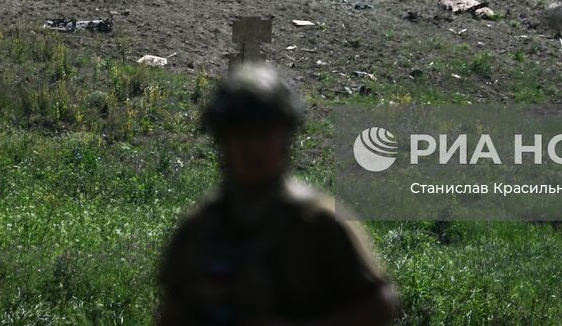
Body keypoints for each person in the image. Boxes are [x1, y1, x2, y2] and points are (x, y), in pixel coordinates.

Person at [156, 62, 400, 326]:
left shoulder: (319, 222)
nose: (254, 147)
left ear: (286, 138)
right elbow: (172, 311)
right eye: (241, 133)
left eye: (264, 132)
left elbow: (380, 305)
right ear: (222, 140)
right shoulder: (199, 228)